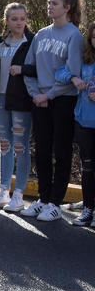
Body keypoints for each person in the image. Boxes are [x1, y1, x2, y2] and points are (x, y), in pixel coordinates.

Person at [21, 0, 85, 222]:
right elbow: (29, 69)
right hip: (40, 99)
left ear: (67, 7)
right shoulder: (41, 34)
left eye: (54, 3)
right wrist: (36, 94)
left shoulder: (73, 35)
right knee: (43, 150)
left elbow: (73, 73)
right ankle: (43, 198)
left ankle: (56, 203)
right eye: (48, 2)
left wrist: (49, 96)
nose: (49, 6)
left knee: (61, 150)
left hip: (62, 100)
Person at [0, 3, 34, 211]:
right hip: (1, 99)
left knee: (20, 146)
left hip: (21, 100)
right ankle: (3, 191)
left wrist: (22, 69)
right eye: (14, 19)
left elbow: (38, 68)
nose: (19, 23)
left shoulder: (32, 42)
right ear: (6, 21)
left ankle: (19, 194)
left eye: (22, 19)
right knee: (4, 144)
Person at [56, 21, 95, 225]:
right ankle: (88, 209)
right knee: (87, 167)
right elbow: (59, 72)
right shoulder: (84, 60)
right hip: (84, 122)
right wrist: (73, 78)